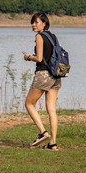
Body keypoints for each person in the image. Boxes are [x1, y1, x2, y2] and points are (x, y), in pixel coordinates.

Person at [22, 12, 60, 151]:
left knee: (29, 104)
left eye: (36, 22)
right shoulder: (53, 37)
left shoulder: (39, 36)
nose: (33, 25)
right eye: (32, 22)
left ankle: (43, 133)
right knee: (52, 110)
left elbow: (38, 58)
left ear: (44, 23)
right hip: (55, 75)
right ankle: (53, 143)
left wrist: (28, 57)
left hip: (43, 74)